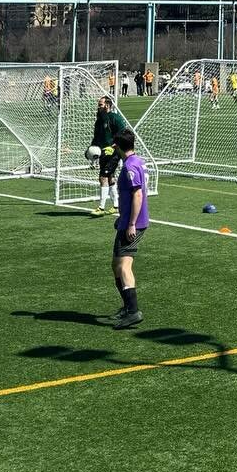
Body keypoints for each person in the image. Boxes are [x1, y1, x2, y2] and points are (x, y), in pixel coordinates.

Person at [109, 130, 148, 329]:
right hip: (126, 222)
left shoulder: (130, 167)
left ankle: (133, 311)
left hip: (134, 224)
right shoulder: (137, 162)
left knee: (124, 266)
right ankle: (127, 307)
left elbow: (138, 195)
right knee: (116, 264)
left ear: (117, 146)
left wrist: (131, 223)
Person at [90, 95, 130, 215]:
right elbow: (96, 137)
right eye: (98, 105)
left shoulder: (115, 118)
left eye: (101, 104)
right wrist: (91, 149)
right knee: (110, 178)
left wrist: (113, 147)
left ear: (107, 105)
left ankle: (101, 208)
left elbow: (124, 134)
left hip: (113, 153)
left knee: (103, 178)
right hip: (102, 153)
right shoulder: (99, 120)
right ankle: (116, 206)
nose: (99, 107)